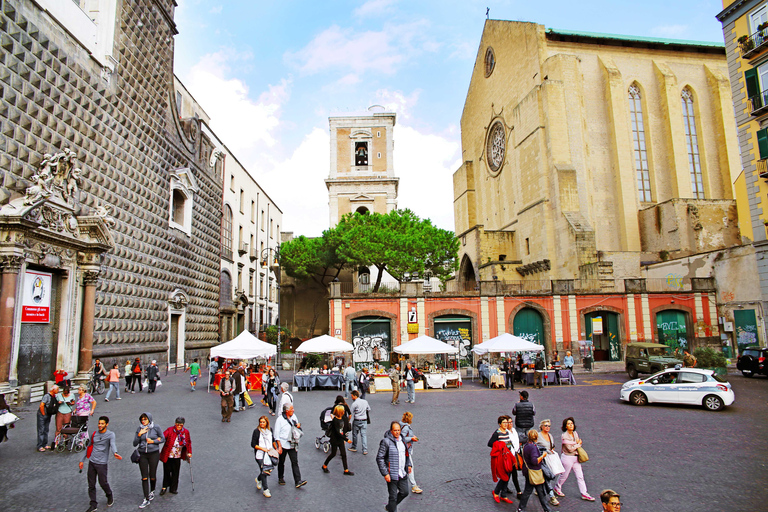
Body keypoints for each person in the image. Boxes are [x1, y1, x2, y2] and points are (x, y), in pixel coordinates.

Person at [80, 416, 122, 512]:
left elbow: (112, 444)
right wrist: (82, 460)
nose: (100, 425)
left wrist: (115, 453)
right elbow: (89, 446)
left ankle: (109, 494)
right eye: (99, 423)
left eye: (102, 424)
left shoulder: (110, 434)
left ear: (106, 424)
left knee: (103, 482)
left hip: (102, 464)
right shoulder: (94, 434)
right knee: (91, 485)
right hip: (92, 462)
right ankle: (93, 504)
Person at [554, 416, 595, 501]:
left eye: (572, 423)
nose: (571, 425)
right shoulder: (564, 435)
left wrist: (575, 444)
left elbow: (574, 445)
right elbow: (570, 449)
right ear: (566, 426)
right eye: (568, 424)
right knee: (564, 475)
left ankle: (584, 493)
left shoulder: (575, 433)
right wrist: (578, 444)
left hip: (575, 457)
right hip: (567, 458)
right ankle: (557, 487)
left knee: (580, 476)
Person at [376, 421, 412, 512]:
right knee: (393, 497)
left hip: (402, 472)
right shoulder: (386, 441)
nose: (397, 432)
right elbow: (380, 458)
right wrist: (385, 473)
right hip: (392, 474)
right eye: (395, 430)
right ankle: (392, 507)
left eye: (398, 430)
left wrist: (409, 465)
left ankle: (390, 507)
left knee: (405, 492)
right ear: (391, 431)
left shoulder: (403, 440)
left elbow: (406, 454)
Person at [133, 412, 165, 508]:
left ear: (149, 419)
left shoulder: (156, 427)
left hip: (154, 454)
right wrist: (139, 434)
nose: (143, 421)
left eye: (145, 419)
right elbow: (134, 443)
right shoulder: (139, 429)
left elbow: (162, 439)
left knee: (152, 475)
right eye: (142, 419)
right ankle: (146, 498)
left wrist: (153, 441)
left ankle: (152, 491)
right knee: (144, 477)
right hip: (142, 454)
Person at [518, 429, 553, 512]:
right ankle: (547, 509)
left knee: (531, 491)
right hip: (535, 472)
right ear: (536, 437)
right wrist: (543, 456)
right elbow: (535, 461)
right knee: (538, 492)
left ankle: (521, 508)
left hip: (528, 471)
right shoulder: (533, 447)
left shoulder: (526, 446)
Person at [274, 404, 307, 488]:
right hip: (283, 443)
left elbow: (296, 427)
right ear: (287, 411)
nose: (293, 410)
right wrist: (279, 446)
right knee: (281, 461)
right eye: (292, 409)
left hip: (292, 443)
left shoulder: (294, 417)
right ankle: (280, 477)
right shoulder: (280, 420)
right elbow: (276, 434)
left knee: (294, 461)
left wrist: (298, 426)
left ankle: (298, 480)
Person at [488, 415, 518, 504]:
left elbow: (508, 444)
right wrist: (500, 446)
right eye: (504, 423)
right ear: (499, 424)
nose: (506, 424)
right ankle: (496, 492)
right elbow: (490, 443)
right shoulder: (497, 433)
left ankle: (503, 494)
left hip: (508, 456)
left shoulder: (507, 432)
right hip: (501, 457)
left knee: (508, 475)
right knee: (504, 476)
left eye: (506, 423)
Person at [159, 417, 192, 496]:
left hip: (177, 455)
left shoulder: (185, 432)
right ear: (175, 424)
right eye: (177, 424)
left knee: (175, 472)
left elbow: (188, 442)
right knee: (167, 471)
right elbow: (163, 436)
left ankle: (173, 488)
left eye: (180, 425)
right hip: (168, 454)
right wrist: (159, 439)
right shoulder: (170, 430)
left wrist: (189, 452)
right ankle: (164, 487)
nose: (179, 426)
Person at [322, 404, 354, 475]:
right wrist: (346, 439)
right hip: (335, 439)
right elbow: (337, 432)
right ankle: (324, 465)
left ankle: (346, 470)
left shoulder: (341, 418)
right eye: (343, 411)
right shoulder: (335, 421)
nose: (344, 411)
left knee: (343, 454)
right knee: (333, 454)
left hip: (340, 439)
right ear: (340, 412)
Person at [252, 415, 278, 498]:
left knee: (266, 470)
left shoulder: (270, 430)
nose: (262, 424)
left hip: (269, 453)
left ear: (266, 422)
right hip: (260, 455)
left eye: (263, 422)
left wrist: (276, 449)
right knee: (264, 471)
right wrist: (263, 449)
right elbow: (253, 444)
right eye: (260, 422)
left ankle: (259, 479)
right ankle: (266, 490)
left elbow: (273, 440)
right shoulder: (256, 431)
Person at [537, 419, 560, 507]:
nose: (547, 427)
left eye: (549, 426)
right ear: (541, 426)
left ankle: (538, 487)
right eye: (545, 425)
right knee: (547, 477)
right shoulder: (538, 436)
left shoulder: (550, 435)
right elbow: (535, 446)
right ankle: (552, 496)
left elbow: (552, 445)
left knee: (546, 476)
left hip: (549, 459)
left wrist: (551, 449)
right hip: (542, 460)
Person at [399, 411, 422, 494]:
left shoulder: (402, 425)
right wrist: (412, 438)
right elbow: (403, 438)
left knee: (406, 467)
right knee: (410, 467)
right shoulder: (405, 427)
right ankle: (413, 485)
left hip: (404, 450)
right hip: (405, 450)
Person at [37, 385, 59, 451]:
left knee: (46, 429)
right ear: (53, 390)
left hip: (48, 414)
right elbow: (41, 405)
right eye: (57, 389)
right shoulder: (46, 396)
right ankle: (40, 446)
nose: (58, 390)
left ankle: (44, 444)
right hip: (42, 414)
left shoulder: (54, 396)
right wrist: (43, 414)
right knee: (41, 430)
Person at [349, 389, 370, 455]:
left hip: (357, 420)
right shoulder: (365, 401)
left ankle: (354, 447)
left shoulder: (354, 404)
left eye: (352, 396)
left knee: (355, 434)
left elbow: (351, 413)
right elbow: (369, 409)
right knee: (363, 435)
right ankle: (365, 449)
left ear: (355, 396)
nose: (351, 397)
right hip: (364, 420)